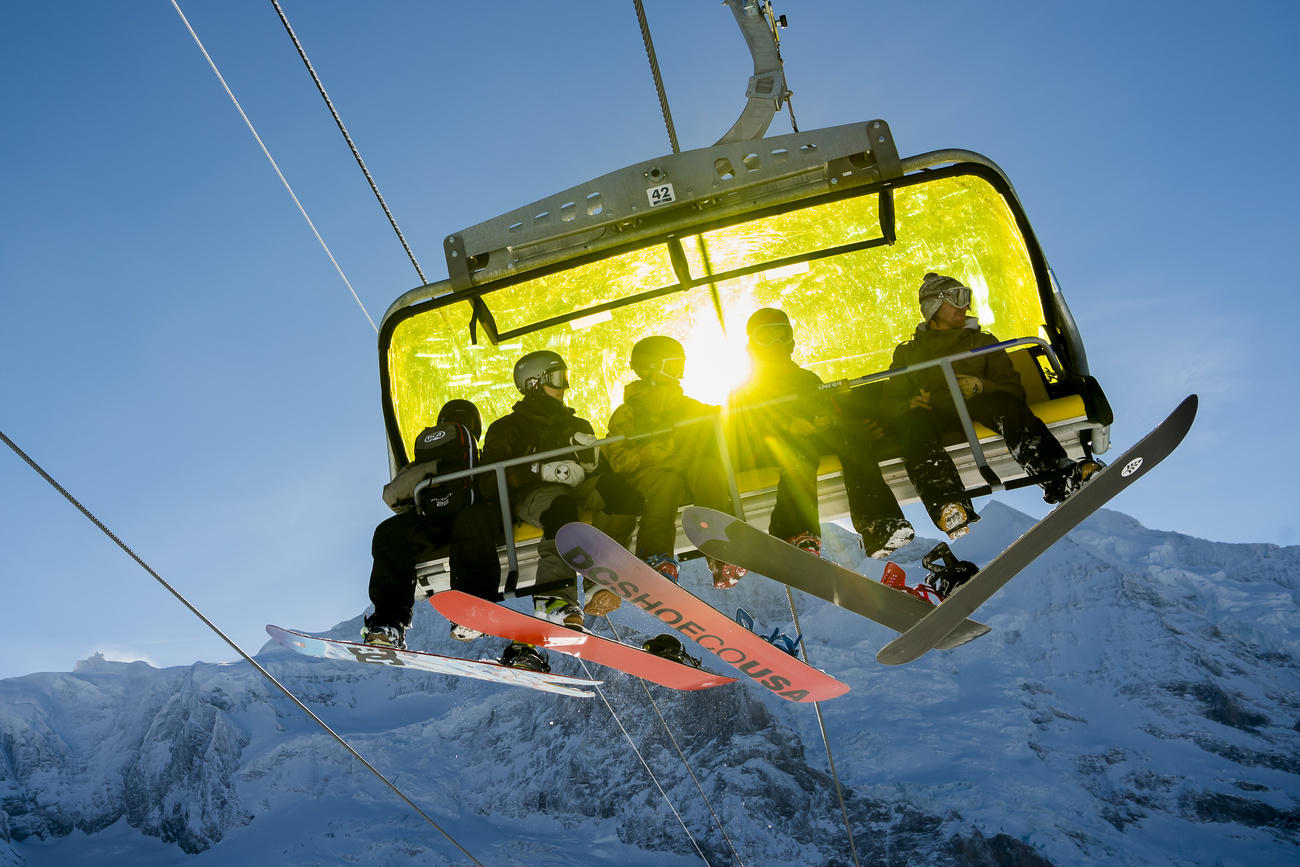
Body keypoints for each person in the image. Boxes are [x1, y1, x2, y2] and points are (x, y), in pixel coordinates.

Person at [882, 272, 1103, 539]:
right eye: (958, 298)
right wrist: (909, 402)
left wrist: (981, 385)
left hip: (977, 405)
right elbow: (890, 401)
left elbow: (1013, 390)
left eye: (967, 298)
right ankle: (948, 505)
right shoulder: (909, 353)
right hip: (933, 413)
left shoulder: (982, 342)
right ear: (933, 306)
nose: (966, 306)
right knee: (914, 426)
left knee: (1005, 405)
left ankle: (1060, 475)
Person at [479, 350, 645, 672]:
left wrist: (593, 462)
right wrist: (540, 471)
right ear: (534, 383)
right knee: (561, 507)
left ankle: (603, 578)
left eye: (565, 377)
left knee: (620, 493)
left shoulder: (576, 422)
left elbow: (597, 470)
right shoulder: (508, 428)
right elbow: (491, 478)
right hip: (530, 494)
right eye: (558, 378)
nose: (565, 386)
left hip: (575, 488)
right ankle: (554, 597)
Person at [728, 308, 914, 565]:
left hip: (807, 440)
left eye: (780, 335)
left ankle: (878, 523)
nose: (774, 343)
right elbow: (743, 425)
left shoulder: (806, 378)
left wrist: (828, 422)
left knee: (852, 442)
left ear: (790, 341)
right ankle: (793, 532)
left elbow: (829, 409)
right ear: (753, 343)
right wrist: (787, 426)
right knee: (799, 454)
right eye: (765, 337)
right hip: (766, 446)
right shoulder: (744, 386)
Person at [603, 335, 748, 589]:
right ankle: (654, 557)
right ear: (649, 369)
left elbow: (719, 420)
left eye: (681, 365)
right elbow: (618, 459)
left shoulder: (688, 407)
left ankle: (720, 550)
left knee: (709, 469)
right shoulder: (629, 413)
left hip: (685, 472)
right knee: (665, 483)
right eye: (672, 366)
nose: (679, 373)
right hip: (650, 476)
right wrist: (653, 452)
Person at [362, 399, 501, 651]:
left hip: (469, 521)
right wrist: (437, 469)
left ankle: (472, 608)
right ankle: (389, 620)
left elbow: (394, 498)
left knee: (472, 522)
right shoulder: (425, 466)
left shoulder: (484, 459)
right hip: (437, 521)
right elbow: (392, 495)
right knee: (389, 532)